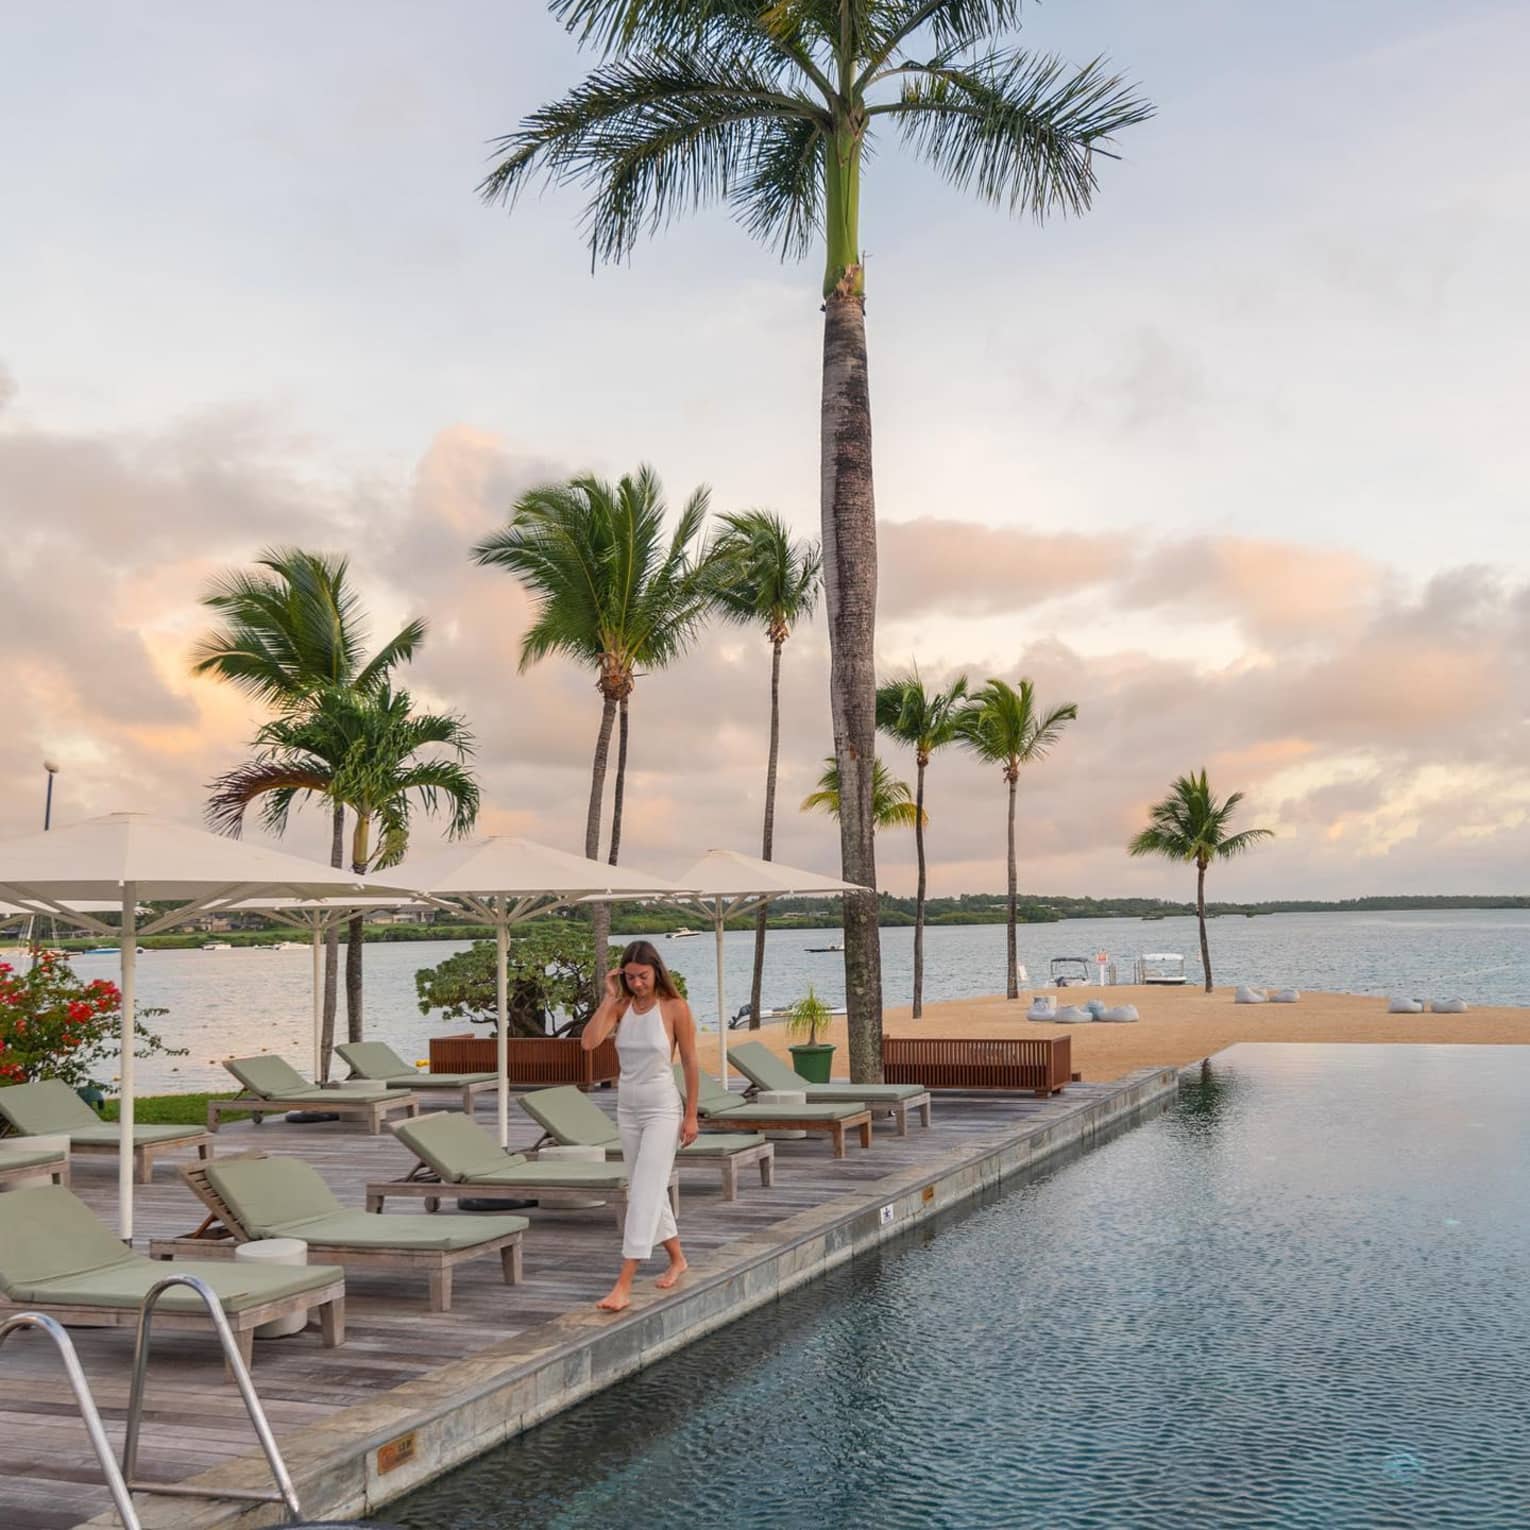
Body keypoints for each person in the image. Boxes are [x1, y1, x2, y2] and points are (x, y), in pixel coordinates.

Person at [580, 939, 700, 1312]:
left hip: (663, 1108)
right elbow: (588, 1043)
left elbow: (693, 1064)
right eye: (630, 977)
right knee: (645, 1187)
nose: (637, 984)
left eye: (643, 976)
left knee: (645, 1191)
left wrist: (692, 1113)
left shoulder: (675, 1008)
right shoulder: (620, 1007)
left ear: (657, 972)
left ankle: (624, 1283)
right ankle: (678, 1259)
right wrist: (607, 997)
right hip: (627, 1108)